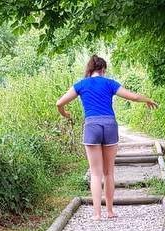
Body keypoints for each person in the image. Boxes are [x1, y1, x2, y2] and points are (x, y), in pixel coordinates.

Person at [56, 55, 158, 220]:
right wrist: (148, 100)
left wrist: (65, 114)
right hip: (110, 125)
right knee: (108, 172)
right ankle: (110, 211)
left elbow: (59, 103)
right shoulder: (109, 83)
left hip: (92, 126)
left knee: (95, 174)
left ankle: (97, 214)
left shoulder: (81, 84)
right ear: (103, 70)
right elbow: (133, 97)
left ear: (90, 69)